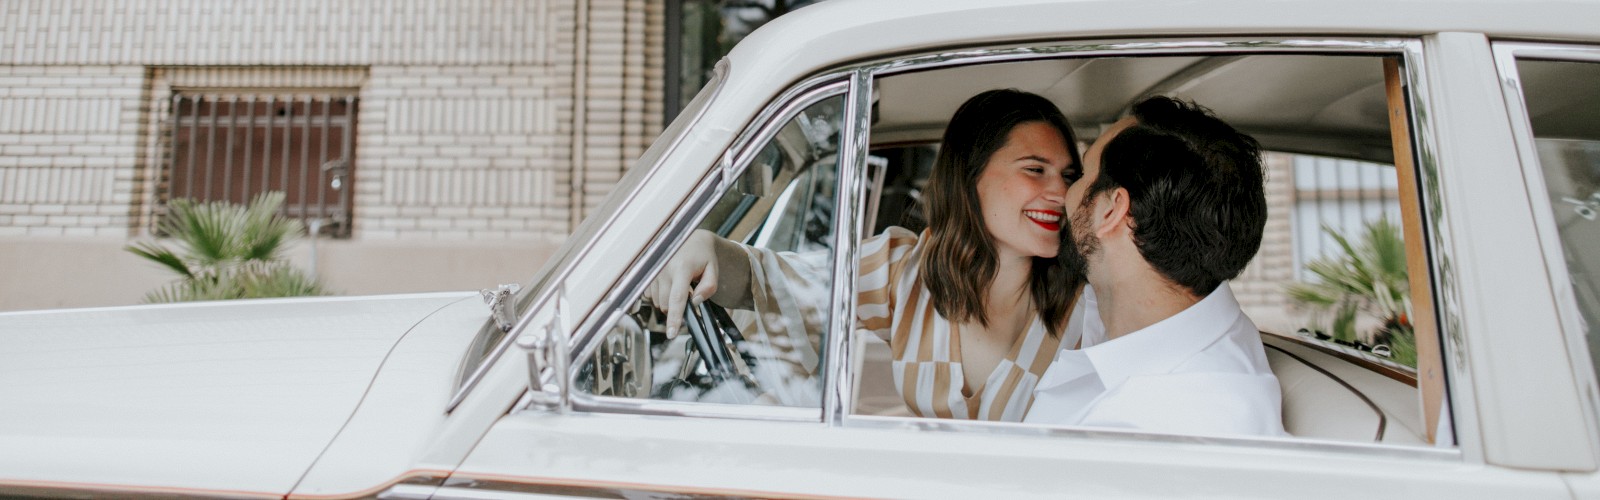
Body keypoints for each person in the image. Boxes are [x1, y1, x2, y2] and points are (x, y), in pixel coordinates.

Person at [648, 88, 1085, 421]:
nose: (1062, 193)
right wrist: (705, 246)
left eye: (1068, 176)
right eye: (1035, 170)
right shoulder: (906, 271)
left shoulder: (1090, 301)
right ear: (970, 178)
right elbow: (781, 281)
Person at [1024, 96, 1286, 437]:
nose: (1063, 196)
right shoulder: (1152, 325)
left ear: (1111, 210)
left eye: (1082, 174)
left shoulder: (1156, 422)